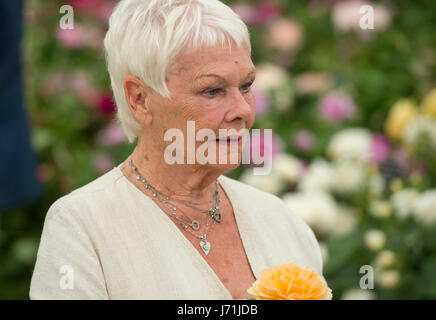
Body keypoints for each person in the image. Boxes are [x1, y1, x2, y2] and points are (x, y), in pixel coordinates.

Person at [30, 0, 324, 299]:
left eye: (246, 86)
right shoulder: (83, 227)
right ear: (140, 99)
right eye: (212, 90)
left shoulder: (280, 221)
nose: (242, 110)